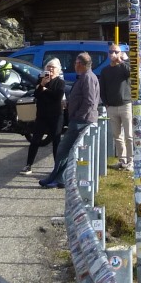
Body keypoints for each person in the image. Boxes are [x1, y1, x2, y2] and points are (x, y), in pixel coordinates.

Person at [39, 52, 100, 188]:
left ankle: (57, 178)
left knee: (63, 149)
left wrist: (78, 115)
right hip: (79, 119)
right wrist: (69, 104)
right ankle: (58, 178)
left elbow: (89, 102)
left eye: (76, 63)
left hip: (81, 121)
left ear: (80, 64)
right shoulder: (84, 77)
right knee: (66, 151)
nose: (74, 65)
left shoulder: (88, 78)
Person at [21, 59, 66, 174]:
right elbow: (37, 95)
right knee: (35, 139)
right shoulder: (41, 80)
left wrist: (45, 90)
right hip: (42, 115)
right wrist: (42, 85)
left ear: (58, 70)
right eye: (48, 67)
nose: (50, 69)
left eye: (53, 67)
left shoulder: (60, 82)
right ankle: (28, 165)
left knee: (56, 140)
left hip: (56, 115)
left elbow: (57, 97)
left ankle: (57, 167)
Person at [99, 43, 133, 171]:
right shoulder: (105, 70)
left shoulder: (124, 67)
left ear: (120, 53)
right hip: (112, 107)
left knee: (129, 135)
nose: (113, 54)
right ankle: (122, 160)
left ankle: (131, 161)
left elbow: (130, 73)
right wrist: (106, 104)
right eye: (111, 52)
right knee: (117, 136)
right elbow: (102, 89)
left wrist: (121, 61)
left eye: (116, 51)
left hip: (125, 105)